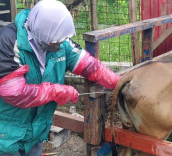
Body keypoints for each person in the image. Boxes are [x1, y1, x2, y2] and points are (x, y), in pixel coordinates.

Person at [0, 0, 120, 155]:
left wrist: (119, 83)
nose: (61, 43)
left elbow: (90, 66)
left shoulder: (60, 43)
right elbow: (14, 93)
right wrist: (56, 92)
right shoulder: (8, 42)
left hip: (36, 131)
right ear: (43, 32)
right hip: (7, 134)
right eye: (57, 40)